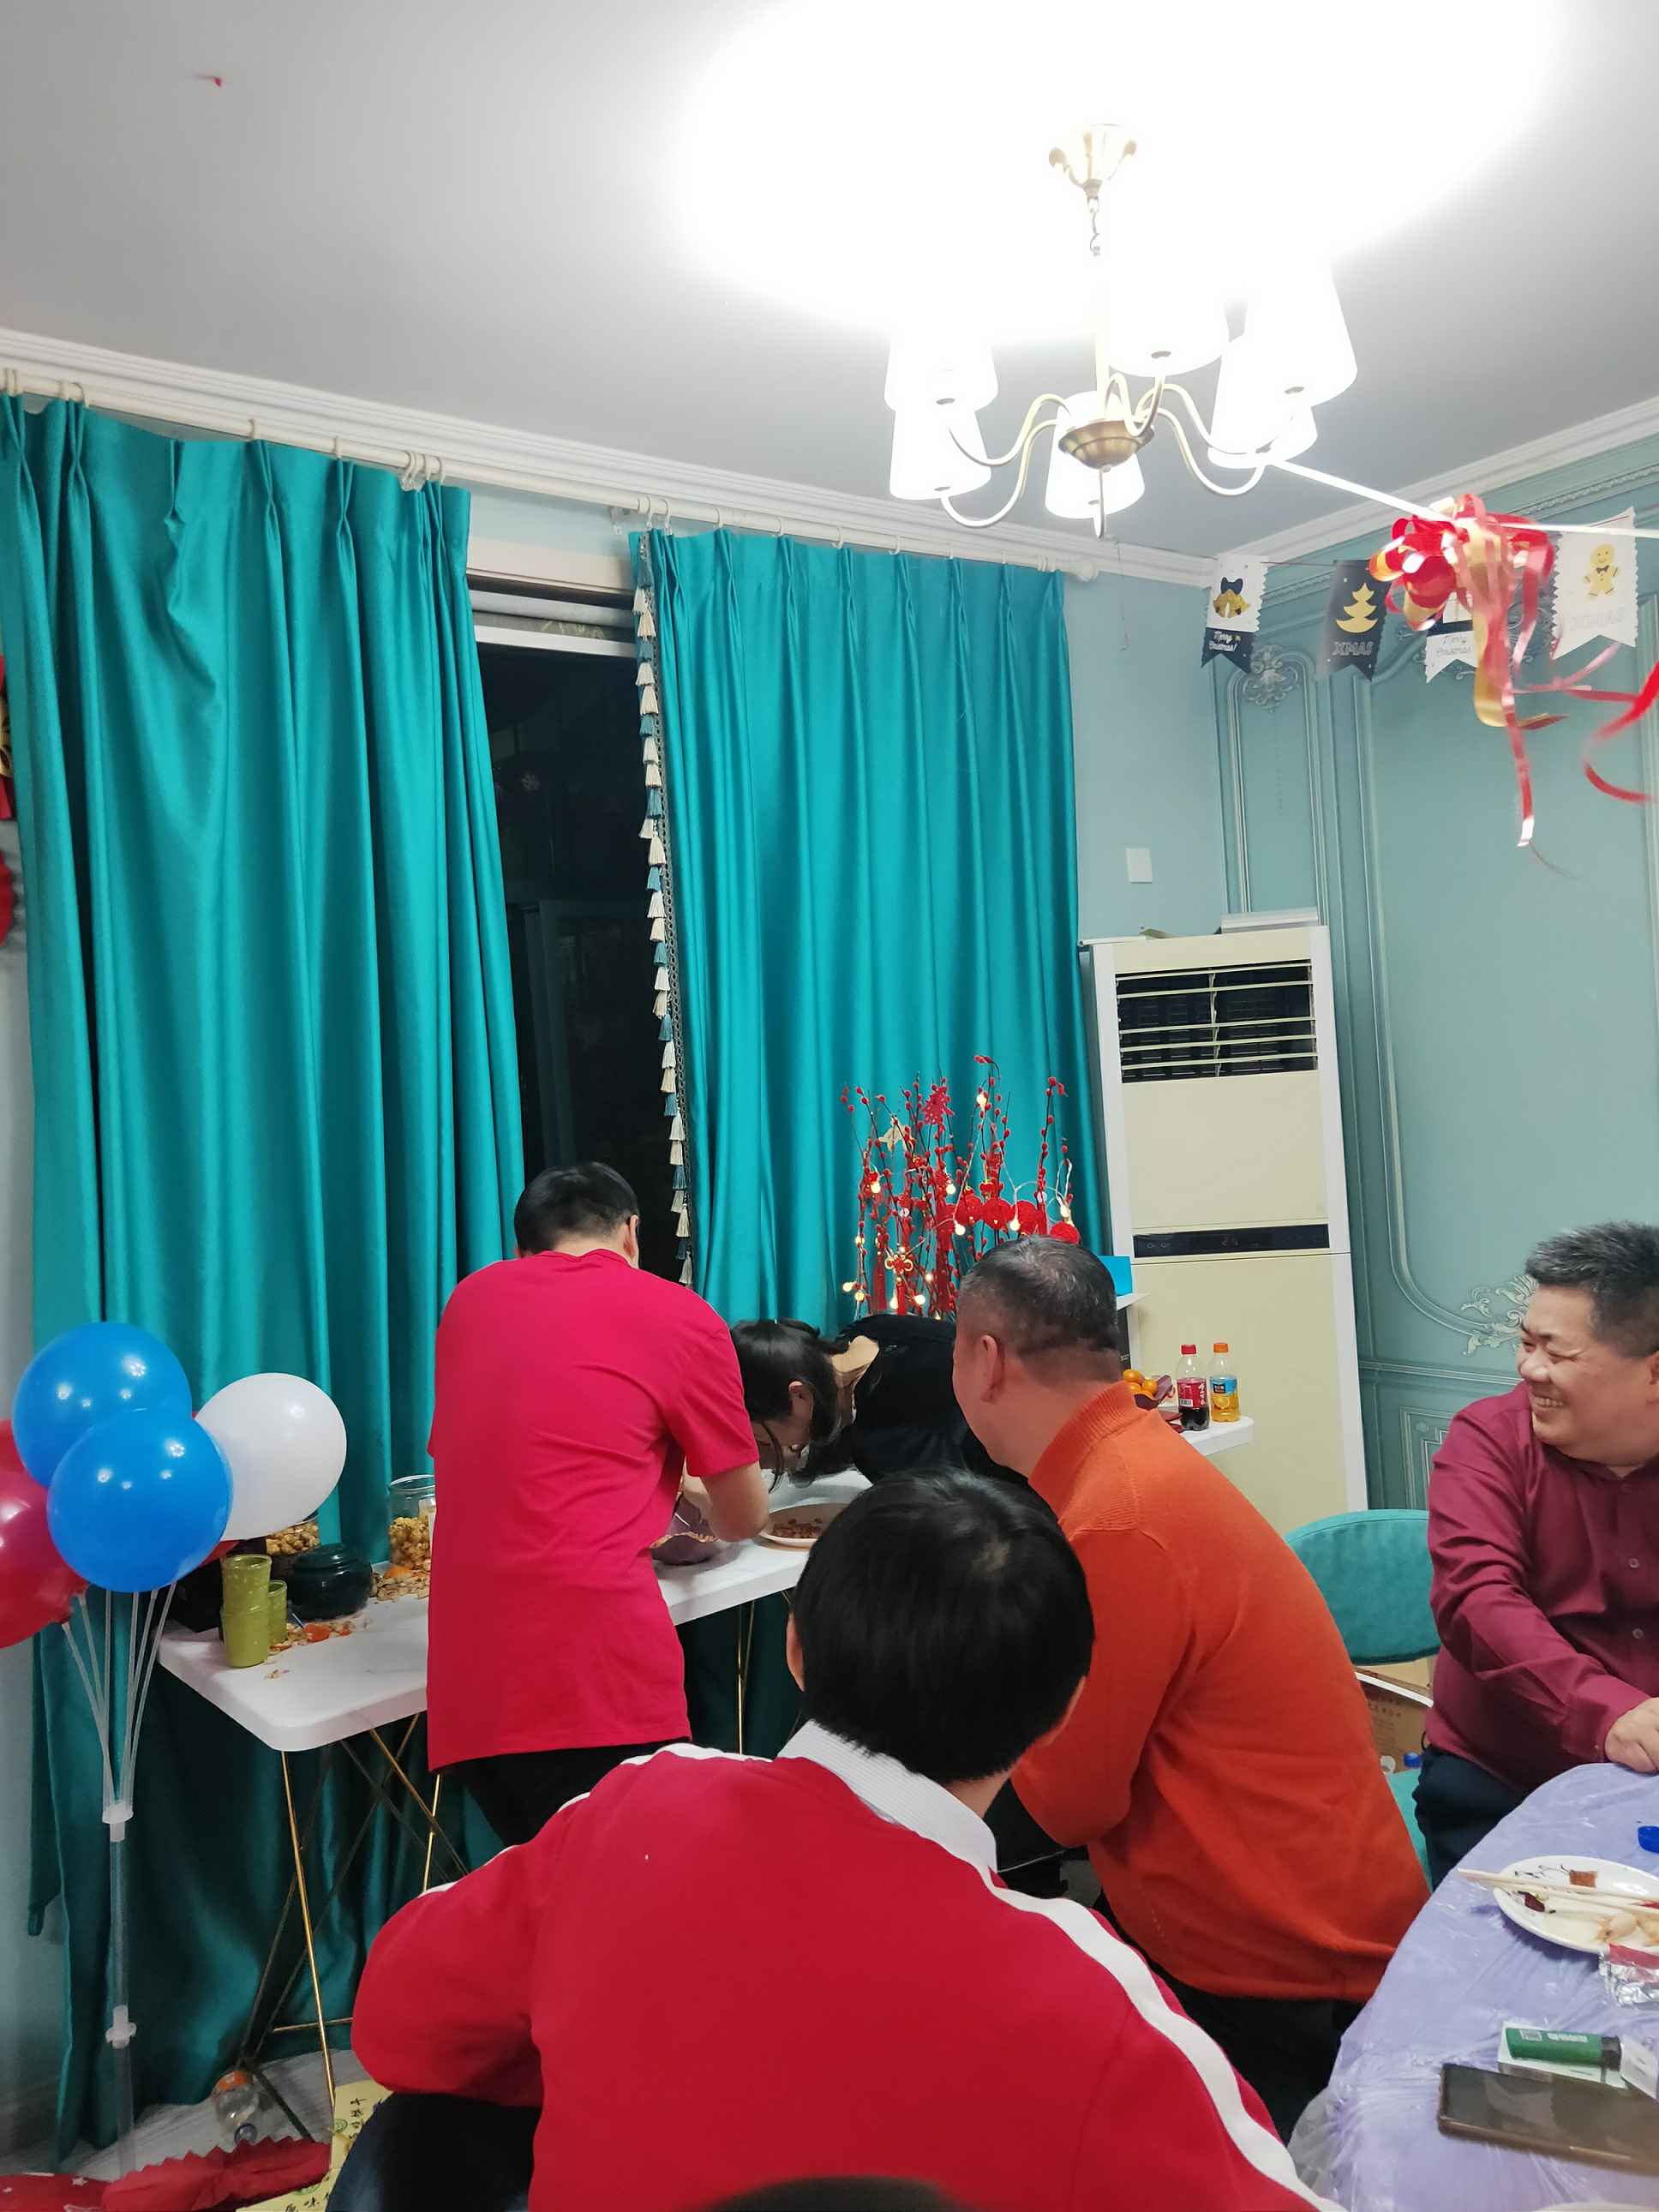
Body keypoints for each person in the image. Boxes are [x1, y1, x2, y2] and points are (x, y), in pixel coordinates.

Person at [354, 1473, 1327, 2212]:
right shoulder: (1094, 2002)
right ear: (1063, 1709)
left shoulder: (633, 1809)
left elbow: (398, 2023)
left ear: (795, 1647)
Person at [951, 1240, 1425, 2139]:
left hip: (1278, 1970)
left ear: (985, 1360)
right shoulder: (1135, 1459)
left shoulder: (1119, 1516)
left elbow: (1068, 1802)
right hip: (1298, 1907)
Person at [425, 1162, 767, 1846]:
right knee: (639, 1897)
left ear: (522, 1248)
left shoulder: (469, 1301)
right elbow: (744, 1516)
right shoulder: (676, 1313)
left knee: (546, 1893)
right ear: (632, 1233)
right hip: (595, 1685)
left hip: (470, 1695)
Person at [1421, 1221, 1659, 1885]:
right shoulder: (1488, 1441)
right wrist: (1607, 1712)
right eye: (1526, 1344)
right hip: (1504, 1780)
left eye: (1556, 1352)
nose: (1529, 1369)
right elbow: (1476, 1600)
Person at [730, 1314, 1010, 1483]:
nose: (762, 1454)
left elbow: (949, 1504)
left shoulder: (887, 1429)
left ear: (799, 1395)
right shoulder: (861, 1336)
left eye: (763, 1441)